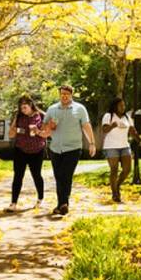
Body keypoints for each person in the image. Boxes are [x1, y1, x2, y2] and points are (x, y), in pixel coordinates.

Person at [42, 85, 96, 216]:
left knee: (66, 175)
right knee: (59, 176)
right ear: (59, 95)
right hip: (55, 148)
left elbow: (86, 126)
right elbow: (44, 128)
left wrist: (92, 143)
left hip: (73, 148)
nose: (64, 96)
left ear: (71, 95)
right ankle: (61, 204)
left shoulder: (80, 109)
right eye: (62, 94)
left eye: (67, 94)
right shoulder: (52, 109)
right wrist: (50, 126)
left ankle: (63, 204)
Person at [6, 96, 46, 212]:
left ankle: (40, 199)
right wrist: (14, 130)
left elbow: (47, 134)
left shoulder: (42, 116)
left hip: (37, 150)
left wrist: (37, 131)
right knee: (18, 176)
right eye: (21, 108)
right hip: (20, 150)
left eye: (25, 107)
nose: (23, 110)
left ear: (31, 105)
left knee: (36, 175)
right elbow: (11, 135)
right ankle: (13, 203)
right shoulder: (18, 116)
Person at [101, 97, 136, 203]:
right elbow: (104, 129)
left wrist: (140, 141)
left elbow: (132, 131)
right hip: (111, 146)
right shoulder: (108, 116)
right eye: (120, 105)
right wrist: (112, 126)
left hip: (124, 146)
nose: (123, 107)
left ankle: (117, 185)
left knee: (127, 169)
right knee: (114, 170)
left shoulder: (127, 117)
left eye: (124, 105)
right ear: (115, 106)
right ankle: (115, 194)